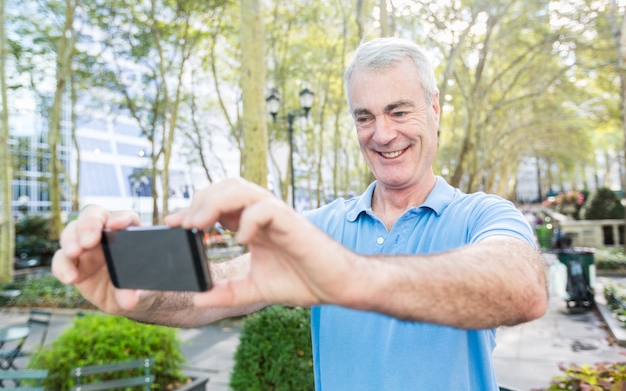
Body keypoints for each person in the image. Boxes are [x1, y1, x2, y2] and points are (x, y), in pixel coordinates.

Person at [53, 37, 547, 390]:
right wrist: (132, 290)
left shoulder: (480, 215)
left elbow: (523, 287)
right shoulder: (323, 227)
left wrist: (345, 275)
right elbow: (210, 294)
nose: (382, 134)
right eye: (364, 116)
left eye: (399, 111)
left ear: (435, 108)